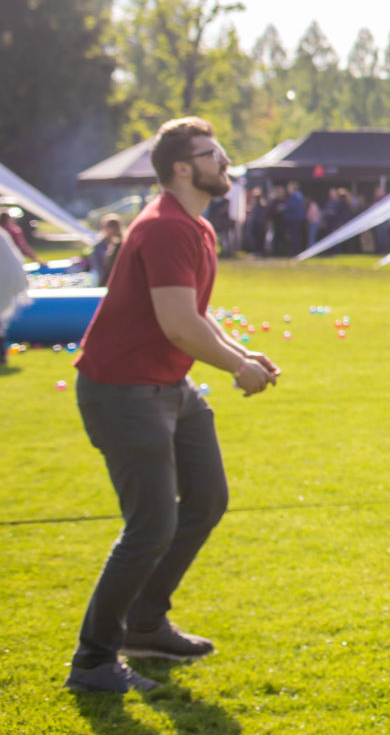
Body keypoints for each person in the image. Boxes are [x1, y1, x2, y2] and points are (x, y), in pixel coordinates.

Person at [66, 118, 280, 695]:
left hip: (169, 388)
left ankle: (145, 622)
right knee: (151, 525)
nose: (226, 161)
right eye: (215, 154)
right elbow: (179, 324)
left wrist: (242, 350)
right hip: (124, 391)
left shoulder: (194, 226)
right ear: (183, 168)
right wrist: (237, 368)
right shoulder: (166, 228)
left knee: (207, 497)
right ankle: (92, 662)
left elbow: (192, 312)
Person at [89, 216, 125, 286]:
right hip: (105, 279)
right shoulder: (99, 246)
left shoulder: (122, 243)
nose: (111, 229)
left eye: (114, 226)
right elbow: (97, 266)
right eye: (109, 226)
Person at [279, 181, 306, 255]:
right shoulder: (297, 196)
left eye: (289, 187)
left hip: (294, 219)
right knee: (295, 236)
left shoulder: (295, 196)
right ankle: (296, 251)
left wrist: (283, 208)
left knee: (295, 236)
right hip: (295, 219)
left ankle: (296, 252)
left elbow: (292, 207)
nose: (288, 189)